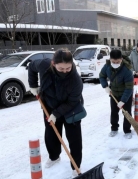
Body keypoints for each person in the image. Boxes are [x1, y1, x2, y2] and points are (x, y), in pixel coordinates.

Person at [28, 48, 83, 178]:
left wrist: (57, 113)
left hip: (71, 109)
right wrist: (33, 85)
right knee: (51, 133)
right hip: (49, 105)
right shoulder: (44, 65)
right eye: (61, 69)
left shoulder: (76, 81)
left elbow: (72, 102)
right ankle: (54, 156)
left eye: (68, 68)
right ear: (53, 64)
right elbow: (31, 66)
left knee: (74, 138)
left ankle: (76, 166)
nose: (65, 71)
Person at [99, 50, 134, 139]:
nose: (115, 63)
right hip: (113, 93)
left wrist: (123, 100)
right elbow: (101, 76)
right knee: (114, 112)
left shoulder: (127, 70)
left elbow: (129, 88)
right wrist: (105, 86)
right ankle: (114, 129)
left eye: (117, 62)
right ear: (110, 59)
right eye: (113, 62)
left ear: (121, 59)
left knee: (127, 113)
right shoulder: (107, 66)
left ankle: (127, 130)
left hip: (125, 94)